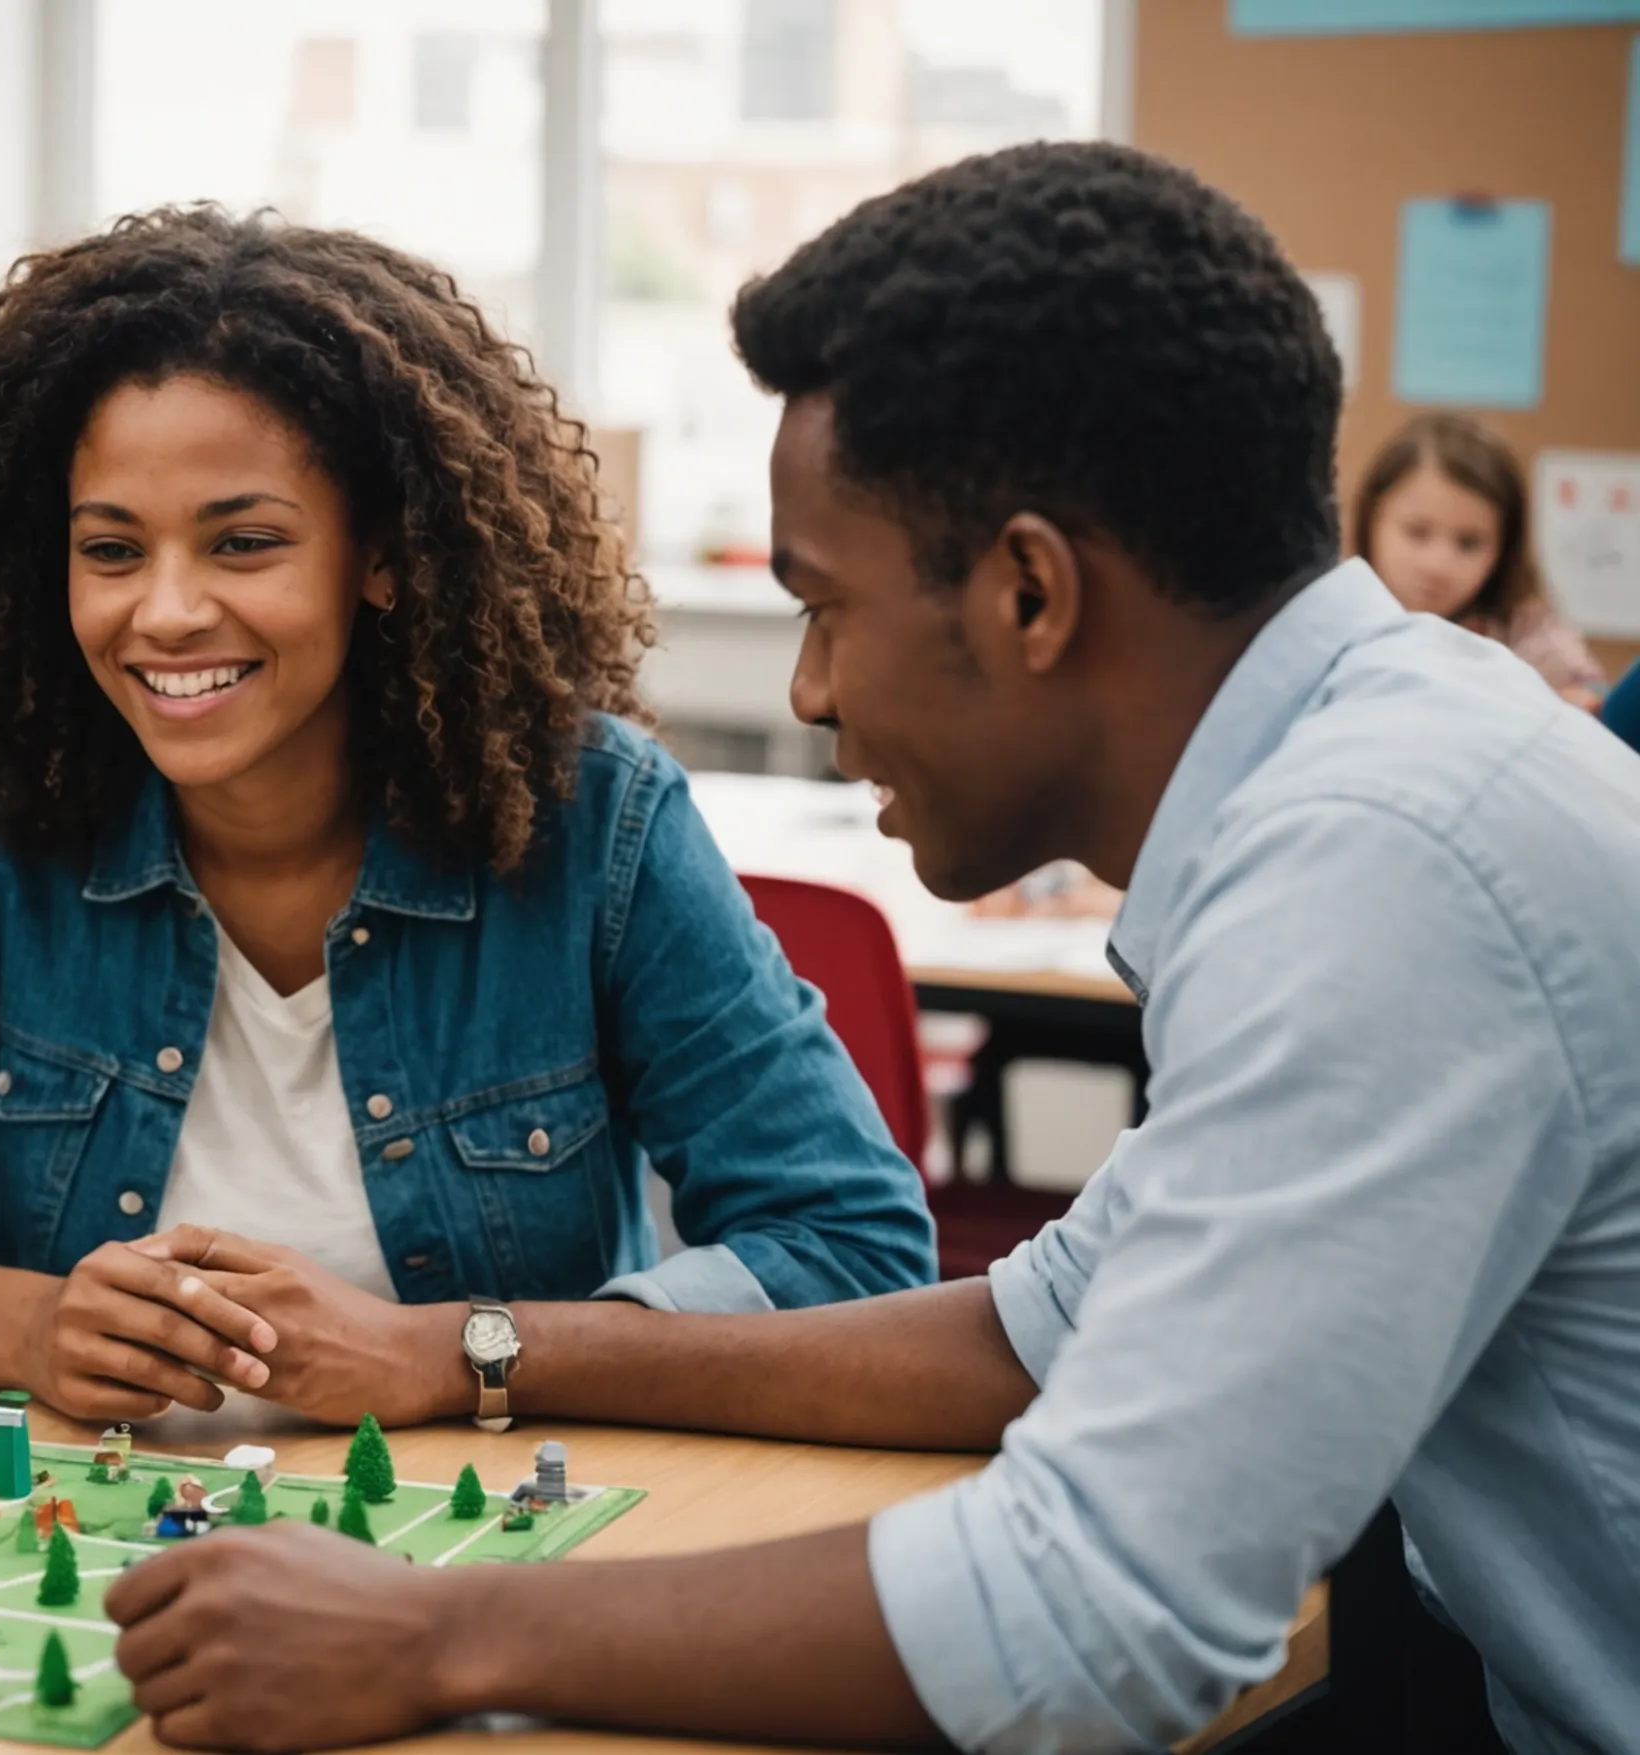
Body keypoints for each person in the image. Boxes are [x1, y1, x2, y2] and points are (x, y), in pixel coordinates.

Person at [102, 143, 1640, 1755]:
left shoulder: (1386, 868)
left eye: (823, 607)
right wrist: (466, 1350)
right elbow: (1038, 1328)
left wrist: (435, 1627)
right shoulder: (1388, 761)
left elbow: (1094, 1614)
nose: (813, 692)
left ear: (1030, 592)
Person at [0, 208, 935, 1431]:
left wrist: (457, 1357)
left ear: (383, 558)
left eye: (244, 543)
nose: (166, 612)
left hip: (495, 1568)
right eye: (112, 550)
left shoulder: (593, 818)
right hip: (96, 1553)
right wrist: (22, 1326)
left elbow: (853, 1249)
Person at [1353, 411, 1606, 708]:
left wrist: (1585, 705)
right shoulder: (1336, 618)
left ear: (1504, 547)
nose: (1438, 566)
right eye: (1417, 532)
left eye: (1469, 543)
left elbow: (1594, 696)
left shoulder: (1528, 636)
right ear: (1372, 517)